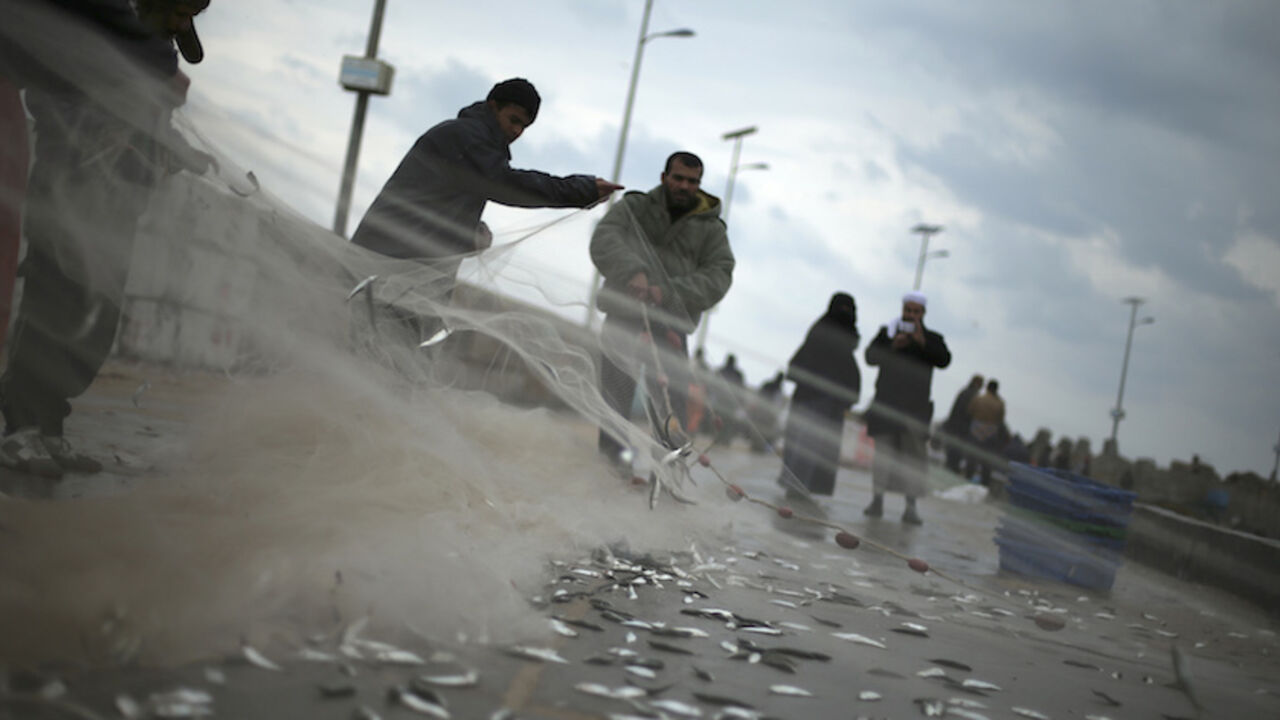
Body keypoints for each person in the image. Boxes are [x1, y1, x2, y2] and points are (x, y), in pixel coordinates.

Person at [0, 0, 213, 479]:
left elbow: (151, 119)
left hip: (120, 195)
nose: (183, 23)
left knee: (94, 315)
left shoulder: (154, 49)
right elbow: (56, 87)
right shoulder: (104, 33)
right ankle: (22, 427)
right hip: (73, 178)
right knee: (56, 295)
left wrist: (177, 150)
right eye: (180, 10)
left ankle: (49, 426)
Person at [351, 78, 621, 342]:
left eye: (524, 127)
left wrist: (471, 234)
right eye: (514, 120)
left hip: (408, 273)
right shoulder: (466, 138)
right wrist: (580, 189)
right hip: (392, 267)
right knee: (372, 353)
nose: (517, 132)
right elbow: (506, 184)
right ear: (493, 107)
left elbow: (441, 205)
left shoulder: (477, 145)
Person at [589, 151, 734, 473]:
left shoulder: (712, 231)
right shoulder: (634, 207)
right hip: (625, 316)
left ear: (699, 184)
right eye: (678, 178)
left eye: (692, 181)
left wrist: (667, 293)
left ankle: (668, 476)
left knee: (672, 408)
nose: (684, 186)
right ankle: (611, 468)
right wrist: (632, 272)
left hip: (670, 328)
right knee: (615, 396)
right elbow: (604, 237)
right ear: (664, 177)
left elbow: (719, 275)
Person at [863, 291, 951, 525]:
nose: (911, 315)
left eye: (915, 311)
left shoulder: (932, 339)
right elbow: (870, 357)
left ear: (923, 314)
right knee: (883, 457)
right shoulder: (888, 333)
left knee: (913, 461)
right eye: (908, 310)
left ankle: (910, 507)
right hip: (886, 408)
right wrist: (893, 346)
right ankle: (877, 501)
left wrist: (922, 343)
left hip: (915, 411)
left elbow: (944, 360)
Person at [777, 293, 861, 506]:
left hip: (826, 403)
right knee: (804, 444)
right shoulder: (822, 332)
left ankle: (802, 487)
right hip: (812, 399)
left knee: (816, 448)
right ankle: (796, 487)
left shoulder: (838, 337)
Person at [964, 379, 1006, 485]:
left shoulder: (979, 398)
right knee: (986, 461)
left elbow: (970, 411)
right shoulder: (1000, 403)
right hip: (991, 432)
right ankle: (984, 484)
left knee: (972, 457)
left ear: (987, 387)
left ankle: (967, 478)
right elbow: (1000, 420)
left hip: (976, 429)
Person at [942, 374, 983, 473]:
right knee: (956, 453)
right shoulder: (973, 395)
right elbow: (968, 413)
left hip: (954, 425)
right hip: (961, 428)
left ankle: (950, 468)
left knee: (952, 452)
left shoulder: (964, 392)